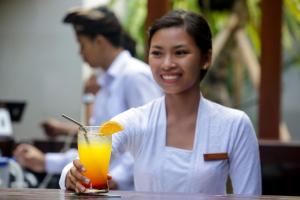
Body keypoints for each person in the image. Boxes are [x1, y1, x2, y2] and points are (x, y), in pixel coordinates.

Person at [60, 9, 261, 195]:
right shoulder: (136, 120)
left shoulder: (234, 125)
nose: (167, 64)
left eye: (180, 52)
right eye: (157, 53)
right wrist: (71, 175)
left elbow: (250, 196)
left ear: (206, 58)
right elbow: (87, 159)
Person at [14, 6, 162, 190]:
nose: (80, 52)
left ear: (99, 41)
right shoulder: (104, 84)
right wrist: (46, 161)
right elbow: (94, 149)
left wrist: (114, 178)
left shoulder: (135, 76)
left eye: (81, 44)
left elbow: (149, 140)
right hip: (103, 191)